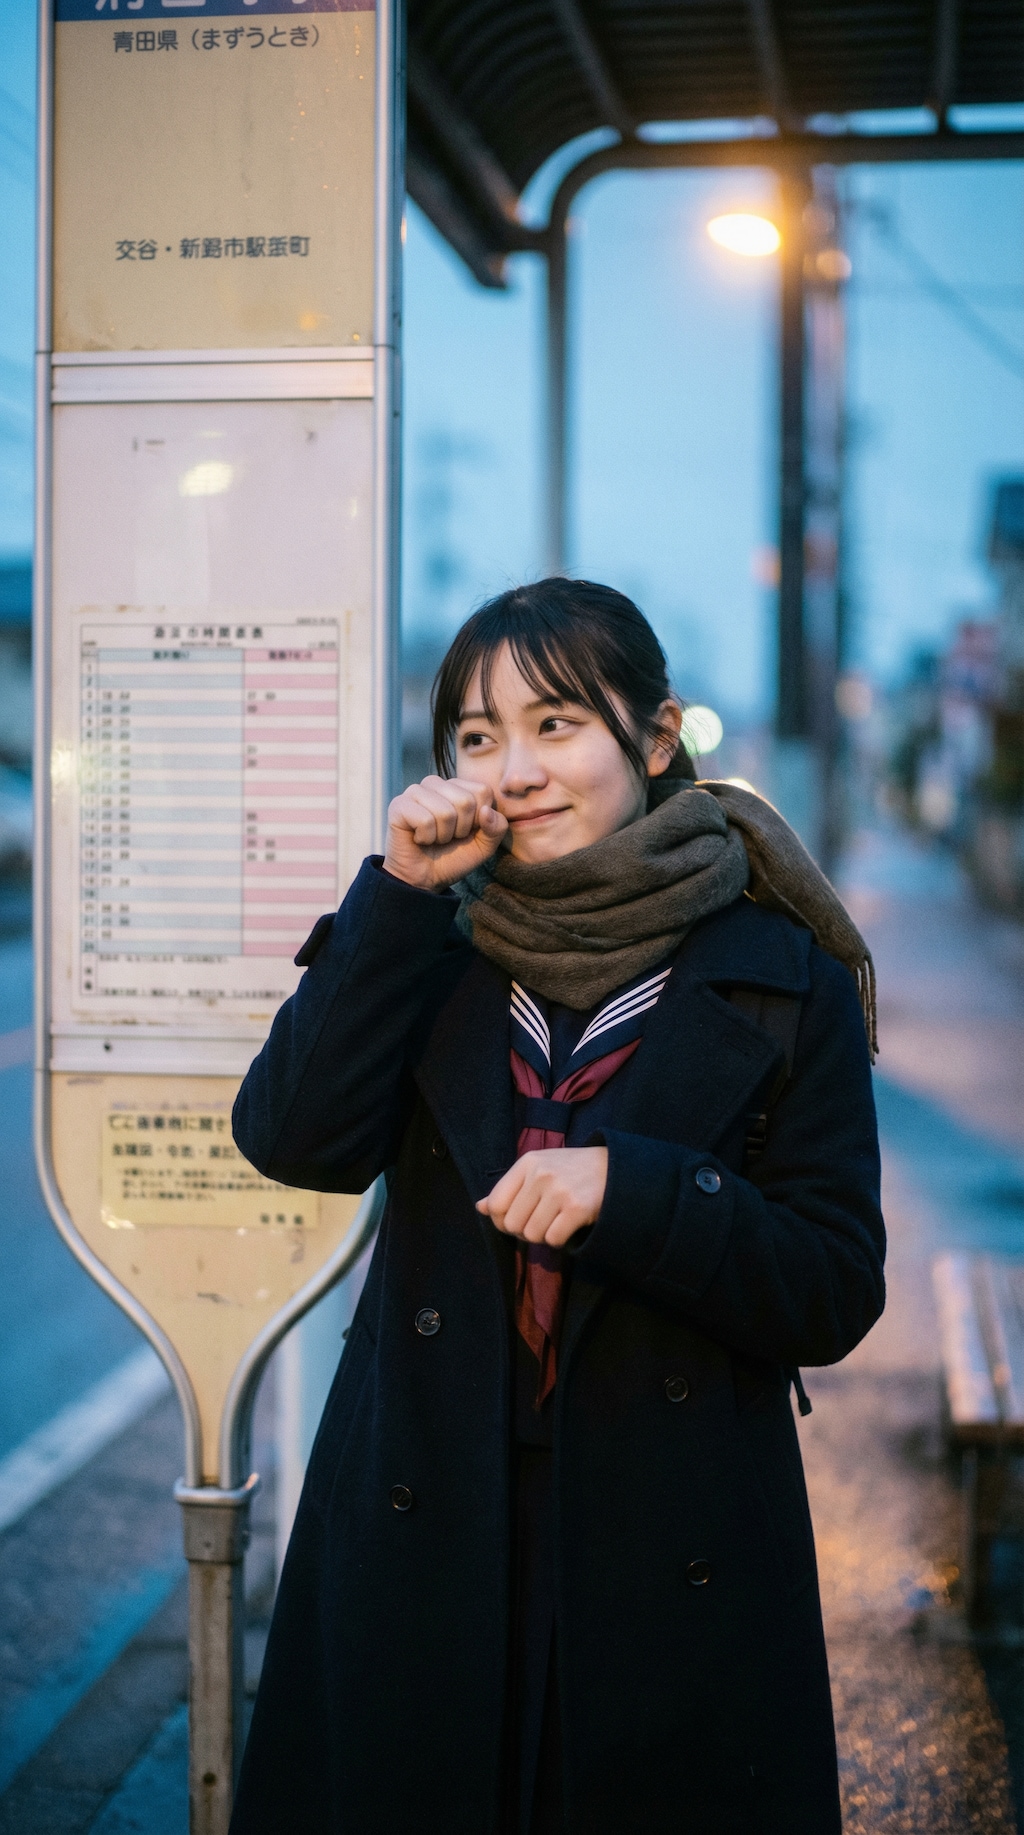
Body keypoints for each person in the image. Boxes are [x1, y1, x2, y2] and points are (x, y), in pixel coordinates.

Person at [229, 578, 884, 1835]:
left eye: (555, 723)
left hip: (669, 1548)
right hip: (423, 1516)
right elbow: (293, 1140)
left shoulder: (775, 970)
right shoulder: (434, 943)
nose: (514, 769)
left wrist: (637, 1193)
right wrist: (399, 892)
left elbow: (833, 1285)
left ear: (652, 737)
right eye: (477, 737)